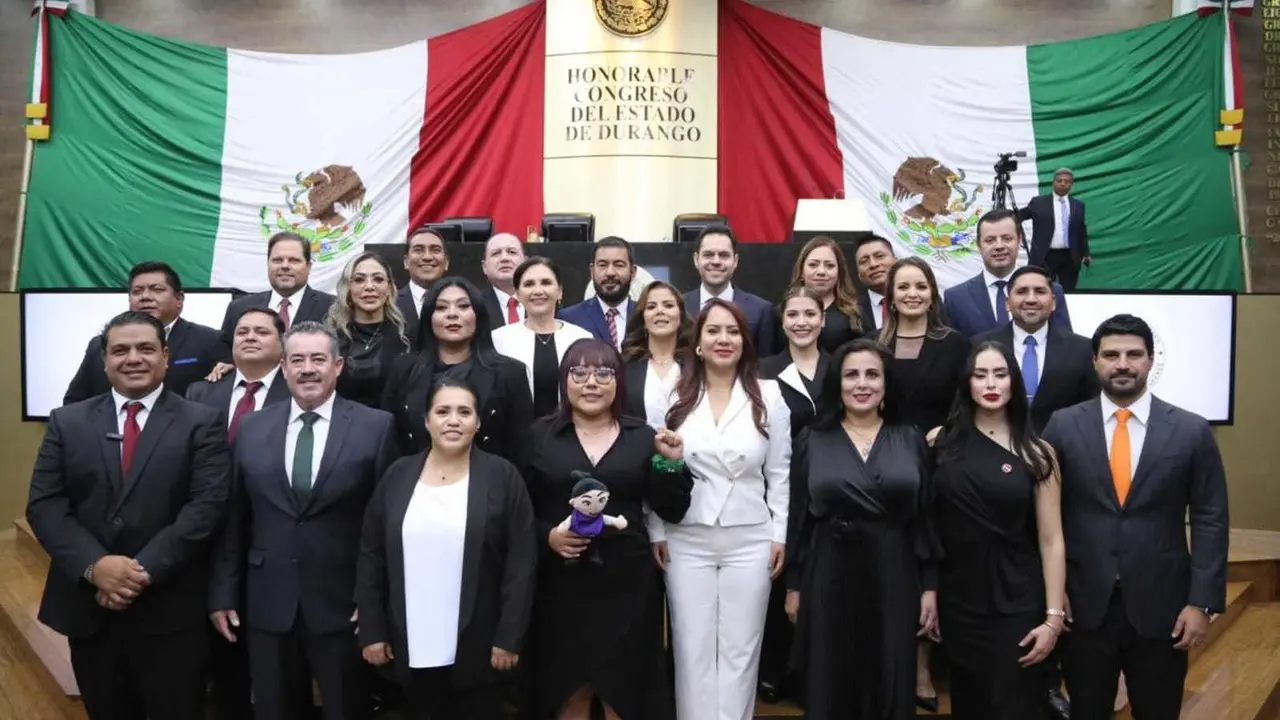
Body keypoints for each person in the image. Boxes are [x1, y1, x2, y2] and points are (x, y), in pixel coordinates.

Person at [27, 310, 230, 720]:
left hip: (170, 608)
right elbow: (45, 504)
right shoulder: (68, 421)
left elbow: (205, 507)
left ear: (166, 357)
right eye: (120, 350)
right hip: (90, 609)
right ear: (104, 361)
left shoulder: (202, 422)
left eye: (145, 348)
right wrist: (95, 567)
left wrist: (139, 571)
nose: (132, 358)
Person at [209, 322, 398, 720]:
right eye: (297, 360)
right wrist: (223, 593)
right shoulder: (251, 427)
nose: (307, 369)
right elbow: (235, 520)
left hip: (342, 604)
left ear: (338, 366)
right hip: (266, 602)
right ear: (284, 366)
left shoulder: (376, 427)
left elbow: (386, 524)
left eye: (318, 359)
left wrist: (375, 599)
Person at [1044, 314, 1229, 719]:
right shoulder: (1062, 426)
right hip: (1084, 606)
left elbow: (1211, 517)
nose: (1122, 363)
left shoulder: (1191, 430)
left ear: (1150, 360)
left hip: (1164, 607)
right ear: (1094, 361)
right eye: (1111, 354)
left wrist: (1203, 601)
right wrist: (1053, 596)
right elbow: (1042, 517)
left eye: (1133, 354)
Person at [523, 339, 692, 720]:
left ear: (619, 381)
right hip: (560, 587)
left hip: (627, 586)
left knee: (624, 696)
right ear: (564, 381)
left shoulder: (642, 436)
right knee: (568, 694)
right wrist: (547, 535)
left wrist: (670, 465)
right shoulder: (538, 436)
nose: (591, 382)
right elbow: (517, 512)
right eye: (578, 373)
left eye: (603, 373)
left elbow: (672, 508)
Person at [356, 377, 537, 720]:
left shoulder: (503, 477)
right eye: (442, 411)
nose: (453, 420)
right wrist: (372, 630)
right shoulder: (397, 475)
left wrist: (509, 637)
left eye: (464, 412)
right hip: (411, 642)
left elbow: (521, 562)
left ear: (478, 422)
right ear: (426, 421)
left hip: (481, 645)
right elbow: (371, 555)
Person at [785, 339, 938, 720]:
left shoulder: (911, 438)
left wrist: (930, 586)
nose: (862, 384)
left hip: (894, 568)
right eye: (851, 375)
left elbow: (925, 518)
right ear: (837, 383)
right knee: (831, 675)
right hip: (829, 569)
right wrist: (793, 585)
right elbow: (799, 519)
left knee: (890, 671)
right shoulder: (812, 439)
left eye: (872, 374)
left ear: (886, 383)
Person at [654, 299, 791, 720]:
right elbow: (657, 468)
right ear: (697, 343)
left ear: (745, 342)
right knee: (691, 646)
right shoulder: (674, 393)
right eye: (713, 331)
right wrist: (657, 530)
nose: (723, 339)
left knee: (740, 649)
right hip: (686, 537)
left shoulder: (768, 395)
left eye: (733, 331)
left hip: (749, 537)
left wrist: (779, 534)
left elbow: (780, 472)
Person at [928, 342, 1067, 720]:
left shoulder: (1038, 453)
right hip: (959, 596)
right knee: (969, 700)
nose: (991, 383)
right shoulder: (937, 442)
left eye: (1000, 374)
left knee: (1013, 701)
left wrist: (1053, 618)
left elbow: (1052, 540)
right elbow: (928, 525)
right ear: (966, 383)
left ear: (1014, 383)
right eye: (980, 374)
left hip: (1017, 596)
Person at [184, 306, 288, 720]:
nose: (249, 337)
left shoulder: (297, 389)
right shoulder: (202, 391)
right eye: (242, 331)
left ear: (282, 345)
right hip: (206, 538)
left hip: (268, 536)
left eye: (262, 331)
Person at [756, 286, 829, 702]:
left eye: (809, 314)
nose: (801, 321)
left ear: (822, 319)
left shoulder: (840, 367)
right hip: (780, 486)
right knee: (779, 578)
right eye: (793, 315)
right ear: (782, 322)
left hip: (833, 487)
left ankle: (813, 674)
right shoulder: (765, 369)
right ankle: (775, 669)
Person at [381, 277, 533, 463]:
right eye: (441, 307)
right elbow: (390, 442)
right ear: (429, 316)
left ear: (478, 314)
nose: (452, 314)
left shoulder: (510, 373)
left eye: (463, 306)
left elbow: (521, 449)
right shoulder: (403, 369)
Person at [64, 261, 223, 404]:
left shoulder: (210, 340)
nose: (145, 297)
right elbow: (75, 400)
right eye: (137, 291)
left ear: (179, 299)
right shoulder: (99, 344)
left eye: (157, 290)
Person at [974, 265, 1098, 433]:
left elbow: (1091, 409)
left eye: (1040, 291)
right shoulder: (979, 346)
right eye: (1022, 291)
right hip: (994, 447)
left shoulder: (1083, 349)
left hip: (1060, 451)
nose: (1031, 299)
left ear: (1053, 302)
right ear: (1007, 303)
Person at [944, 209, 1072, 338]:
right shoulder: (956, 298)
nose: (999, 246)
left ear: (1019, 240)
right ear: (979, 245)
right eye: (990, 240)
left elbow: (1065, 345)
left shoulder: (1052, 291)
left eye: (1007, 238)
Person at [492, 257, 593, 418]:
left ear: (559, 291)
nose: (538, 291)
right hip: (514, 435)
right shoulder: (499, 339)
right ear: (518, 294)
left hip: (571, 433)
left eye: (546, 282)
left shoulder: (581, 338)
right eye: (529, 284)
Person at [879, 257, 970, 434]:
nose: (912, 294)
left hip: (940, 449)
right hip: (884, 450)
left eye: (921, 287)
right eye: (903, 287)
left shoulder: (956, 344)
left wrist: (946, 432)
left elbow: (966, 404)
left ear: (932, 296)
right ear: (891, 297)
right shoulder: (872, 345)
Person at [217, 231, 336, 352]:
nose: (285, 266)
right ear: (268, 264)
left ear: (309, 266)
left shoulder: (333, 307)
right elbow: (224, 356)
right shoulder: (239, 308)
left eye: (294, 260)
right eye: (277, 260)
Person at [326, 252, 413, 409]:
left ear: (389, 288)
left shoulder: (406, 336)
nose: (369, 287)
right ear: (348, 288)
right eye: (359, 280)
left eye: (378, 279)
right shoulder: (330, 339)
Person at [683, 226, 778, 357]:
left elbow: (764, 367)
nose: (716, 261)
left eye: (724, 255)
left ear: (735, 261)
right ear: (696, 260)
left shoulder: (761, 311)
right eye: (708, 255)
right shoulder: (678, 307)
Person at [620, 280, 690, 426]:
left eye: (668, 305)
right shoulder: (625, 367)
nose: (660, 311)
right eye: (651, 307)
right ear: (643, 319)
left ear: (681, 316)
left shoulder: (699, 365)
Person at [786, 235, 866, 353]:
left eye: (829, 265)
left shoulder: (856, 314)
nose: (821, 272)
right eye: (813, 265)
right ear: (801, 271)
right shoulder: (781, 313)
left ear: (839, 272)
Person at [559, 237, 638, 352]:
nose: (610, 273)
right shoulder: (568, 319)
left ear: (633, 272)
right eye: (602, 265)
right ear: (592, 271)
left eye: (619, 265)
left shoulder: (645, 316)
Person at [1018, 169, 1091, 291]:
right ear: (1053, 183)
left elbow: (1081, 231)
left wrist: (1086, 253)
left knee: (1068, 292)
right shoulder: (1038, 202)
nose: (1063, 183)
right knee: (1041, 289)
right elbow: (1019, 216)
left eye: (1066, 181)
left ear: (1071, 184)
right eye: (1059, 181)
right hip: (1045, 256)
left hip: (1070, 256)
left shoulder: (1078, 205)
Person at [394, 227, 451, 344]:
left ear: (446, 263)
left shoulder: (465, 304)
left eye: (435, 250)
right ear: (406, 262)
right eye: (418, 250)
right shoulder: (389, 303)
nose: (427, 257)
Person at [480, 232, 529, 329]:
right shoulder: (474, 306)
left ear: (526, 262)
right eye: (496, 253)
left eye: (512, 252)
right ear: (484, 267)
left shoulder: (544, 303)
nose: (504, 258)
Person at [853, 235, 896, 333]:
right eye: (864, 261)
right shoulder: (851, 311)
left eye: (879, 256)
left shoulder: (921, 300)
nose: (873, 264)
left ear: (895, 261)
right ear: (858, 273)